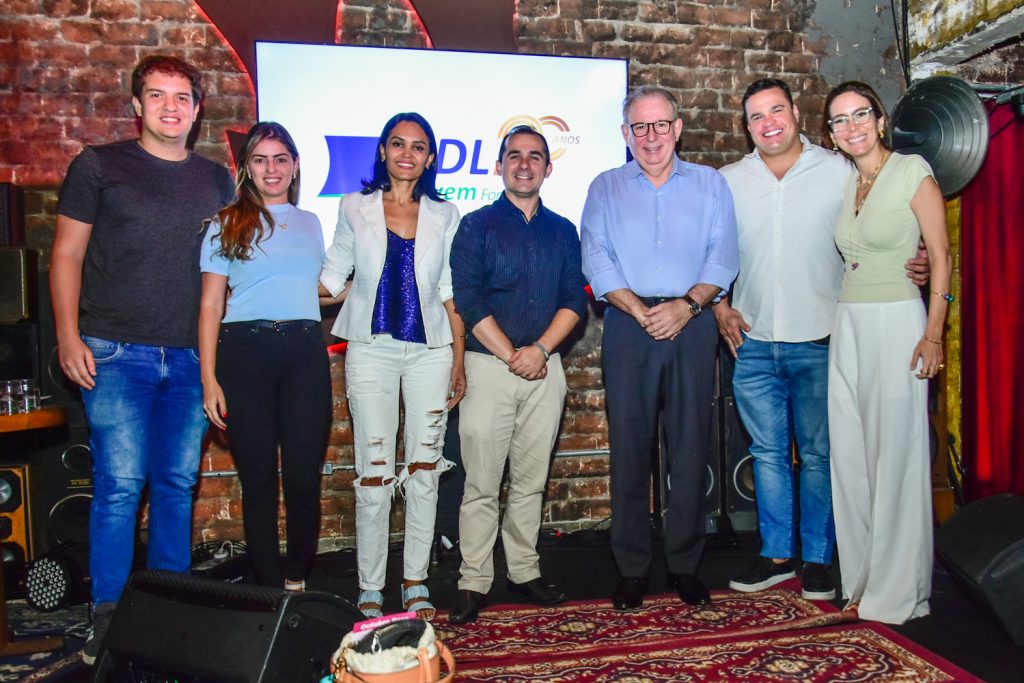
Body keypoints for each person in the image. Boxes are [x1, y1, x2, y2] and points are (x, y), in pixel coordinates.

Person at [716, 79, 930, 601]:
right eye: (756, 116)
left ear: (796, 114)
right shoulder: (727, 181)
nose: (768, 123)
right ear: (747, 127)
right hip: (755, 341)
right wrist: (720, 305)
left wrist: (916, 259)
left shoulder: (838, 168)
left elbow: (885, 219)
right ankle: (776, 555)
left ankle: (817, 559)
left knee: (819, 455)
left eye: (777, 110)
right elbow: (712, 249)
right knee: (767, 455)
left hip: (823, 336)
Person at [51, 55, 234, 664]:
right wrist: (68, 336)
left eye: (182, 97)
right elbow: (67, 256)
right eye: (158, 96)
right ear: (137, 105)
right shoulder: (99, 166)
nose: (171, 107)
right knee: (121, 485)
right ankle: (108, 613)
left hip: (187, 358)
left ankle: (170, 609)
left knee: (178, 485)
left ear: (197, 108)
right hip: (113, 353)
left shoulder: (216, 180)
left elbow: (226, 275)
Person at [581, 86, 739, 610]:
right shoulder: (605, 187)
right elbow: (596, 257)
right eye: (639, 128)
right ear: (626, 135)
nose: (651, 137)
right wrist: (636, 309)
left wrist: (687, 307)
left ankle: (685, 565)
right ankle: (631, 569)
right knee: (630, 449)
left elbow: (723, 254)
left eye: (660, 125)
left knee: (690, 446)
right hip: (629, 325)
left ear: (678, 128)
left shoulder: (711, 185)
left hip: (692, 323)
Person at [319, 113, 465, 621]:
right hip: (371, 349)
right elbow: (334, 278)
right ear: (383, 151)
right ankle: (370, 587)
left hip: (431, 352)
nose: (407, 153)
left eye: (418, 146)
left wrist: (460, 360)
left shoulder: (447, 216)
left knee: (425, 470)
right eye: (398, 143)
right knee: (374, 472)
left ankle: (416, 581)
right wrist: (269, 287)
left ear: (429, 158)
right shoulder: (354, 207)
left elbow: (449, 290)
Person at [446, 125, 588, 624]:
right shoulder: (475, 226)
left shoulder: (563, 231)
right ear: (499, 165)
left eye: (534, 157)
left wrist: (541, 350)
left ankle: (524, 571)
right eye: (514, 156)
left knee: (531, 482)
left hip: (546, 370)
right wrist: (512, 355)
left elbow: (575, 299)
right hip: (489, 370)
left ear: (549, 168)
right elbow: (469, 299)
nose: (524, 164)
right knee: (481, 484)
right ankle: (473, 580)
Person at [822, 81, 950, 624]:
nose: (850, 127)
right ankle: (862, 582)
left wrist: (934, 333)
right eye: (837, 120)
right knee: (851, 460)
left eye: (859, 115)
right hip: (847, 323)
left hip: (898, 321)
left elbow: (942, 258)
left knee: (895, 459)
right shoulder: (849, 183)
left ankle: (898, 593)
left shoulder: (911, 170)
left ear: (880, 120)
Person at [198, 122, 330, 591]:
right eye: (260, 159)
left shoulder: (311, 222)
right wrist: (209, 378)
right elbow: (212, 304)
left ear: (294, 166)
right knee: (257, 481)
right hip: (244, 354)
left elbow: (311, 288)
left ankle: (296, 577)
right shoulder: (224, 222)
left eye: (279, 159)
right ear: (247, 169)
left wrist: (367, 291)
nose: (271, 169)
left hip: (303, 354)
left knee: (301, 479)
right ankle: (268, 587)